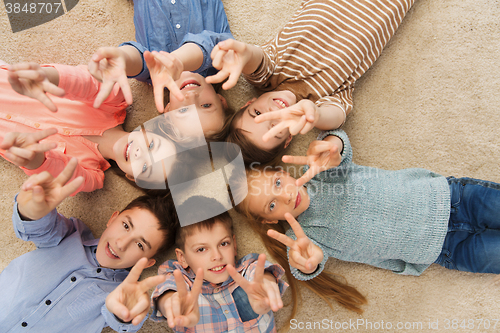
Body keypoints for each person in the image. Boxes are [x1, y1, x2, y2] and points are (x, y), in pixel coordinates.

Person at [236, 128, 500, 309]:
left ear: (284, 172)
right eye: (272, 204)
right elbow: (305, 265)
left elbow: (338, 144)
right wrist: (307, 263)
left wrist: (331, 145)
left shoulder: (319, 172)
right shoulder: (300, 238)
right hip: (444, 249)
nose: (284, 196)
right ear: (269, 221)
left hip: (448, 197)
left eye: (279, 183)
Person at [207, 0, 416, 164]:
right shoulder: (319, 104)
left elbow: (256, 60)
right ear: (289, 139)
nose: (276, 113)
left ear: (248, 103)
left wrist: (243, 55)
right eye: (277, 128)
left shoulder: (268, 75)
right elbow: (336, 115)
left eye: (259, 114)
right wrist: (315, 116)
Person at [0, 159, 179, 332]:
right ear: (113, 218)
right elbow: (40, 228)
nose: (121, 244)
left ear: (148, 263)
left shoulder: (120, 293)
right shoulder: (70, 234)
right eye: (125, 226)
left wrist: (125, 314)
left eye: (140, 244)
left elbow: (123, 319)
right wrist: (31, 210)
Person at [0, 61, 190, 193]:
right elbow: (86, 83)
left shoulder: (91, 178)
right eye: (151, 146)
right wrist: (48, 77)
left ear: (132, 177)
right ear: (147, 129)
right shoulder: (115, 100)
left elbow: (59, 174)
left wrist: (33, 159)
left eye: (146, 167)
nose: (140, 153)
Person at [89, 0, 234, 139]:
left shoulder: (156, 75)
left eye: (184, 110)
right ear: (221, 101)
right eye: (206, 105)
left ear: (169, 111)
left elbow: (140, 60)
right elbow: (210, 44)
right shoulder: (222, 61)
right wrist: (178, 61)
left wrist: (123, 58)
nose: (191, 97)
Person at [147, 198, 288, 332]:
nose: (217, 256)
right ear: (182, 258)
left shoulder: (246, 268)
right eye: (201, 249)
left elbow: (260, 273)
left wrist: (266, 284)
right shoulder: (180, 279)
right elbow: (166, 291)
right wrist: (171, 303)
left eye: (223, 244)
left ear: (234, 245)